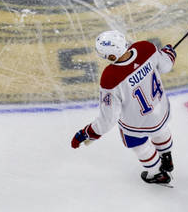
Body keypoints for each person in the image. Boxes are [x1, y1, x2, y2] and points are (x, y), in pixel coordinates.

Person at [70, 30, 177, 185]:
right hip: (161, 110)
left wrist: (89, 132)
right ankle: (167, 157)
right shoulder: (145, 48)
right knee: (161, 130)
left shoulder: (110, 78)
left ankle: (157, 173)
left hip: (136, 124)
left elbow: (108, 119)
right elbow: (166, 65)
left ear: (111, 56)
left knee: (140, 146)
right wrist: (169, 53)